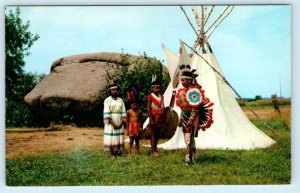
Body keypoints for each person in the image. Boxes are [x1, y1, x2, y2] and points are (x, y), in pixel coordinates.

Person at [176, 64, 214, 165]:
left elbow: (195, 107)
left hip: (192, 118)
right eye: (181, 80)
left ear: (189, 80)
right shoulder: (181, 92)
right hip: (184, 116)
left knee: (189, 139)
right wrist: (180, 118)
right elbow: (182, 108)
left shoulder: (194, 91)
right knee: (187, 138)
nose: (181, 82)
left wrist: (191, 119)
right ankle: (191, 157)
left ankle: (189, 159)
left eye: (183, 80)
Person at [103, 80, 126, 158]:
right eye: (113, 90)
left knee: (118, 136)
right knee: (112, 136)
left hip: (119, 120)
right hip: (111, 121)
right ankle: (112, 153)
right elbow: (106, 113)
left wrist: (120, 123)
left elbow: (124, 112)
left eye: (116, 89)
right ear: (110, 91)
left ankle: (117, 152)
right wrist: (113, 123)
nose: (115, 91)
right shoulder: (107, 100)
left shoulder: (121, 100)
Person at [147, 75, 165, 157]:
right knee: (153, 133)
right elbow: (148, 108)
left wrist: (163, 116)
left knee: (157, 134)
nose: (158, 89)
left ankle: (155, 149)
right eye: (156, 87)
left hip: (160, 116)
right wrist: (150, 118)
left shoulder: (162, 96)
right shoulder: (150, 97)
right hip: (153, 116)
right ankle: (153, 150)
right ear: (152, 88)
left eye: (159, 87)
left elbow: (163, 106)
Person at [126, 87, 143, 157]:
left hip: (137, 127)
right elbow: (127, 121)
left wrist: (141, 127)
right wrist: (127, 130)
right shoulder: (129, 112)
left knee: (137, 141)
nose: (134, 105)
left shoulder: (139, 111)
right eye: (133, 104)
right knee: (131, 141)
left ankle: (137, 153)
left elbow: (141, 120)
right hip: (131, 127)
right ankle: (129, 153)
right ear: (130, 105)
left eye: (136, 104)